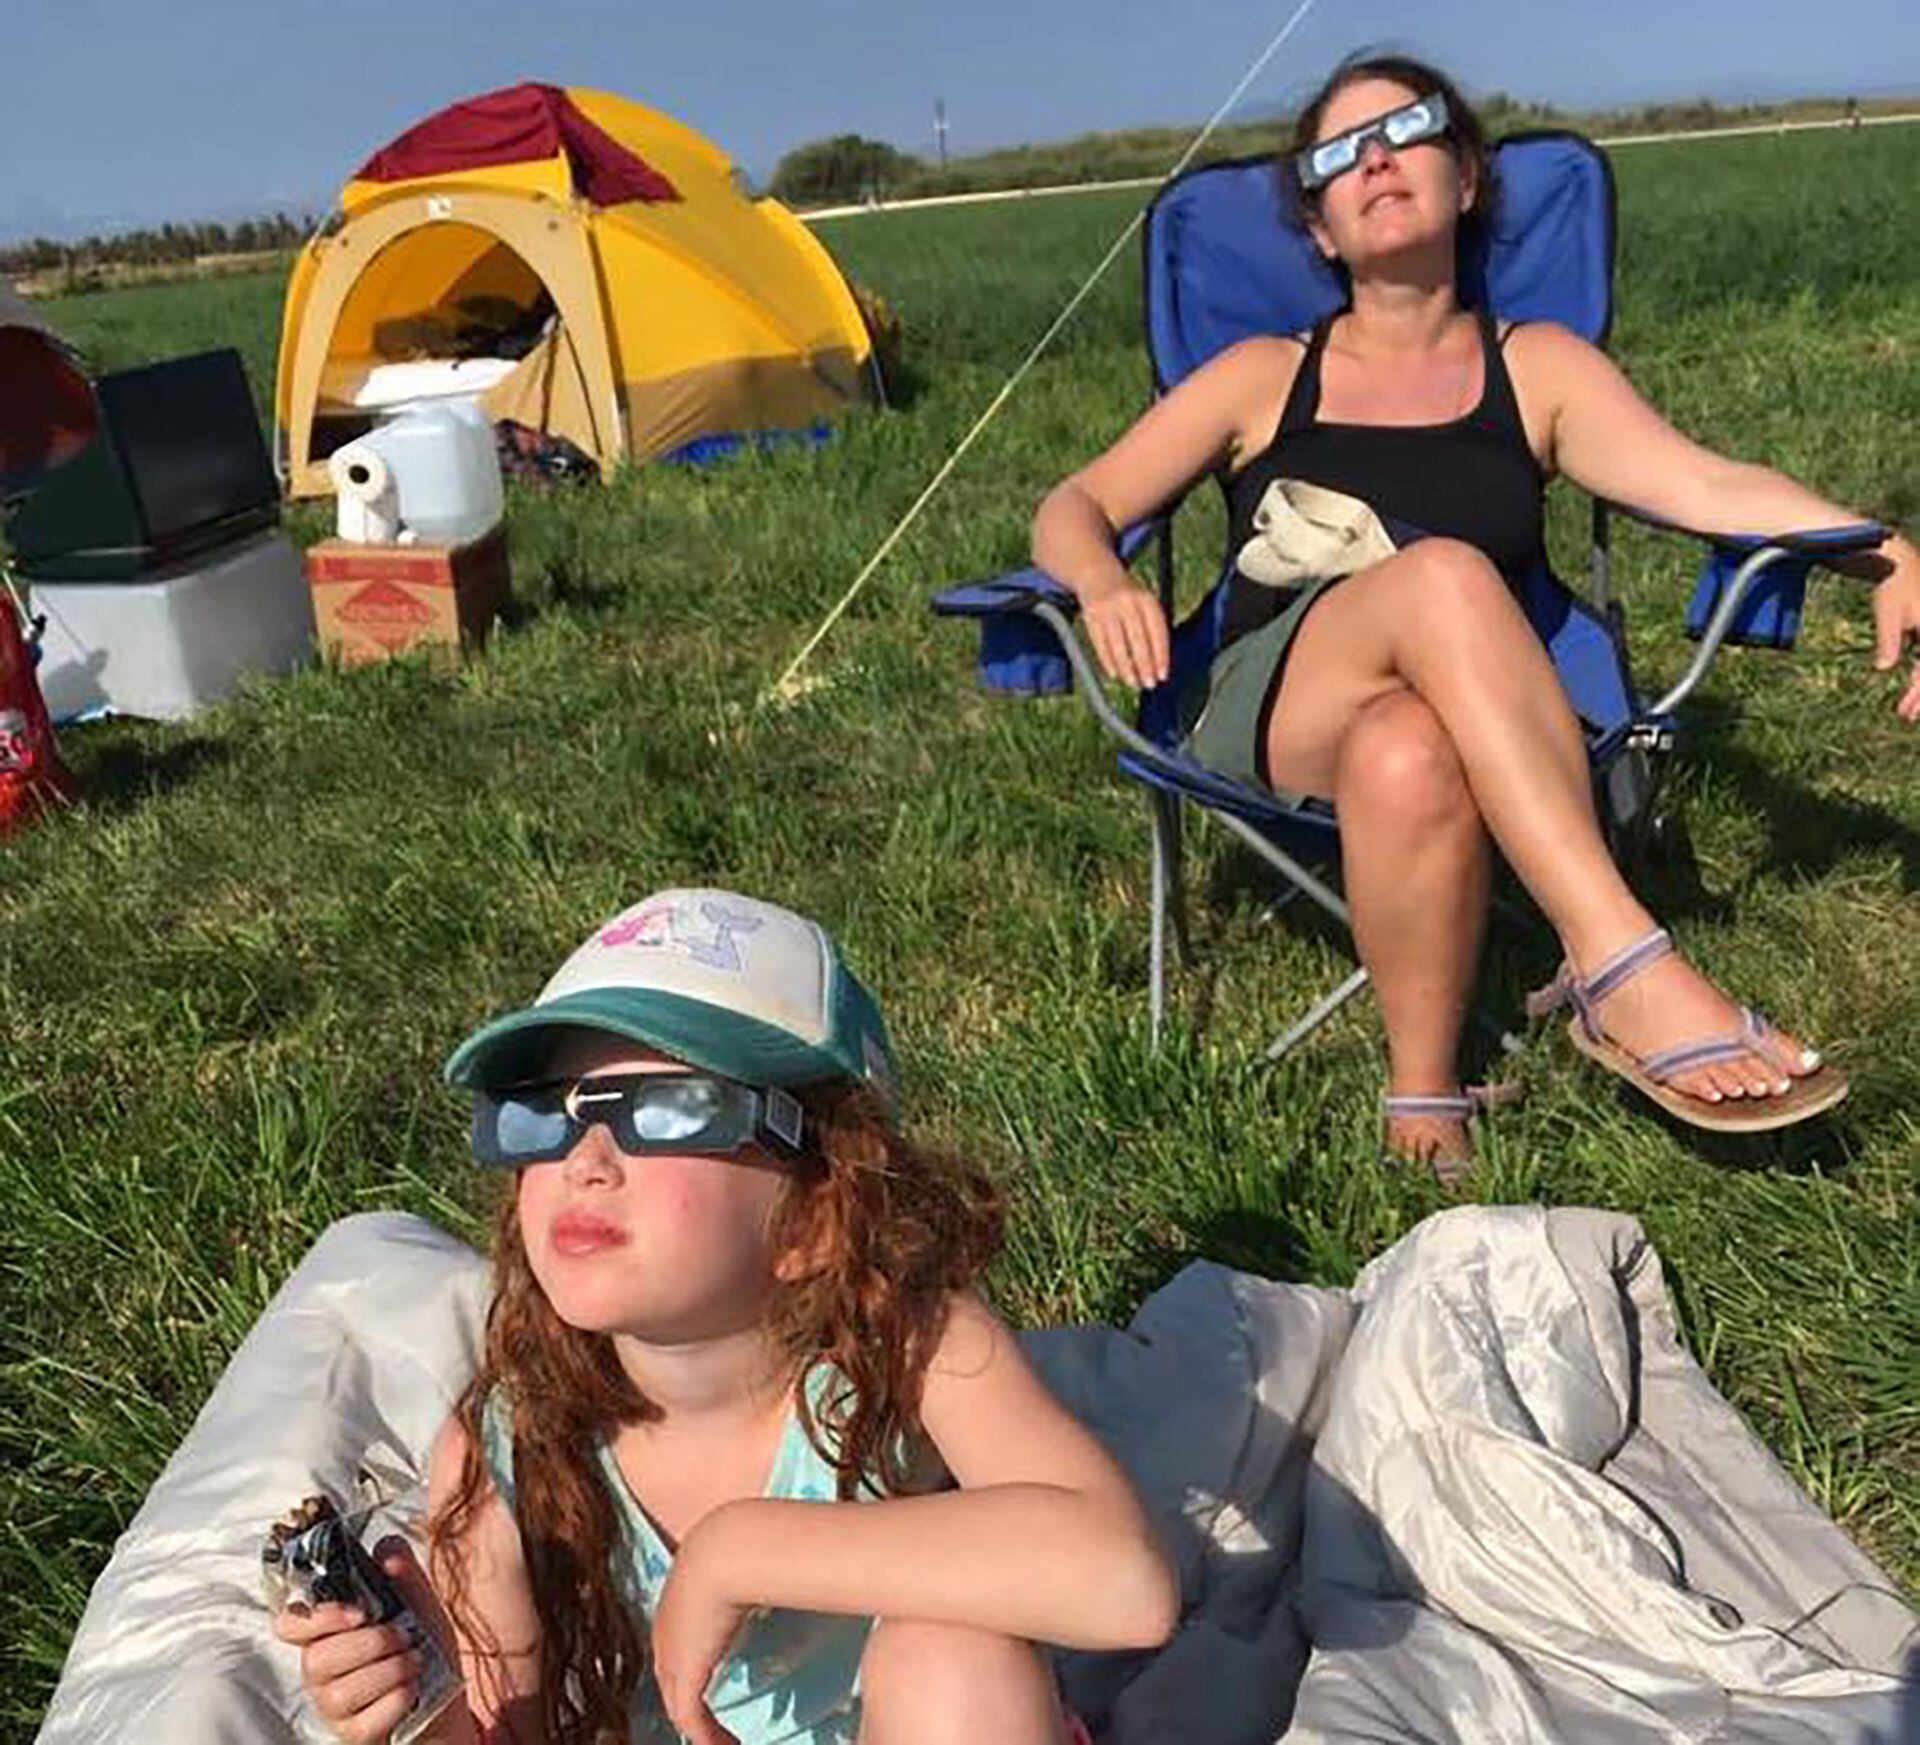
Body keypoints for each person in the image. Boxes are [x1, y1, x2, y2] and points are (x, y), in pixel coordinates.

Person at [1032, 53, 1920, 1177]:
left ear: (1466, 180)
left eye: (1407, 129)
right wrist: (1104, 580)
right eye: (1339, 155)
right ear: (1318, 229)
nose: (1377, 161)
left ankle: (1423, 1098)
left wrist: (1886, 549)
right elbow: (1076, 503)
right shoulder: (1263, 374)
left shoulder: (1538, 369)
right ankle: (1619, 962)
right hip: (1278, 697)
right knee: (1449, 575)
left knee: (1410, 744)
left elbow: (1709, 483)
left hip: (1455, 710)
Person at [275, 887, 1176, 1744]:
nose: (587, 1157)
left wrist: (740, 1550)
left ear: (821, 1209)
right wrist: (419, 1701)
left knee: (957, 1650)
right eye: (545, 1113)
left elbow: (1126, 1580)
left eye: (669, 1109)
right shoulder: (511, 1442)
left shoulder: (907, 1344)